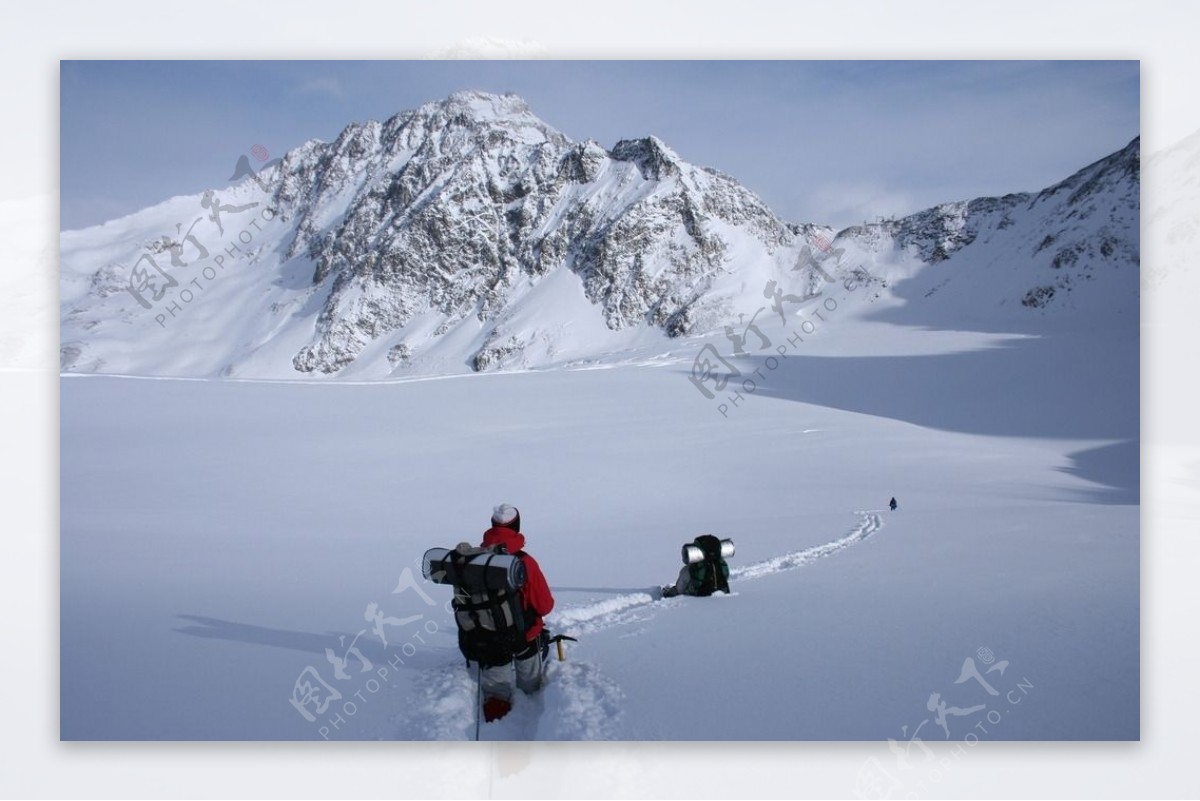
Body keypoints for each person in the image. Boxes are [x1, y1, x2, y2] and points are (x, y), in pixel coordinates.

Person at [476, 503, 555, 722]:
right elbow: (545, 605)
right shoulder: (525, 562)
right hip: (524, 637)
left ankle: (497, 723)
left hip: (487, 636)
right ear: (516, 527)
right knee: (531, 686)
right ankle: (531, 716)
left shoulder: (476, 560)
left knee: (495, 694)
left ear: (492, 525)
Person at [662, 534, 730, 598]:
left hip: (700, 594)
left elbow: (683, 587)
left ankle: (672, 592)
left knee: (685, 572)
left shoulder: (694, 568)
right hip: (722, 590)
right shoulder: (721, 563)